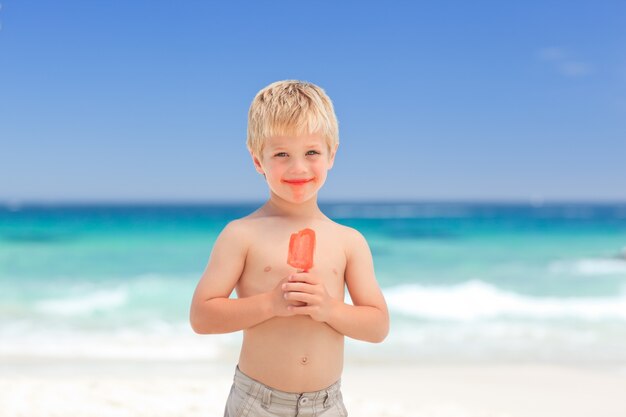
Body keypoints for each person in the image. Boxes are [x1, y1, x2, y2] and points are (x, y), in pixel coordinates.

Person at [190, 80, 390, 417]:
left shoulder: (349, 241)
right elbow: (202, 317)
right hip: (257, 402)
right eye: (281, 154)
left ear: (332, 155)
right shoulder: (241, 234)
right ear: (257, 160)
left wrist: (328, 308)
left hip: (328, 404)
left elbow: (378, 326)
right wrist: (270, 303)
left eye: (311, 152)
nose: (298, 167)